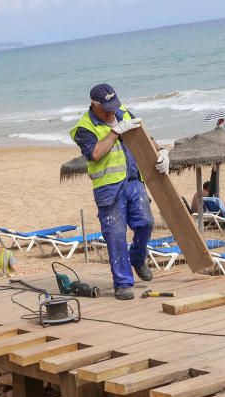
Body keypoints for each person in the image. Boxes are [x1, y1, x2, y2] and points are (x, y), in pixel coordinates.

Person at [70, 83, 168, 300]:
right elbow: (95, 154)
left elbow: (144, 138)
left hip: (134, 180)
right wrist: (115, 132)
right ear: (94, 105)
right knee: (115, 236)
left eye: (113, 105)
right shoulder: (83, 128)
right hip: (108, 188)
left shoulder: (123, 112)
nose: (111, 111)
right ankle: (123, 283)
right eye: (106, 107)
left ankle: (137, 258)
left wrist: (160, 152)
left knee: (146, 222)